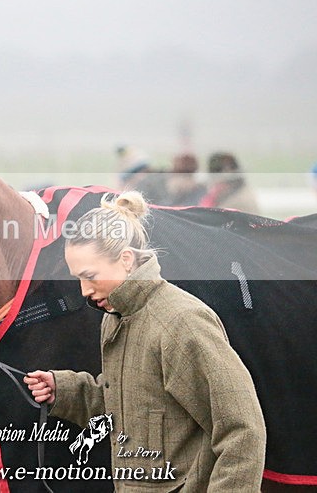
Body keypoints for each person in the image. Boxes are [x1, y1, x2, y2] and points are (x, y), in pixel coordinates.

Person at [25, 191, 266, 492]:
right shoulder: (115, 318)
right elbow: (130, 406)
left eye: (91, 276)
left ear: (126, 260)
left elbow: (242, 429)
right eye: (78, 279)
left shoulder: (182, 322)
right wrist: (65, 391)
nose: (84, 290)